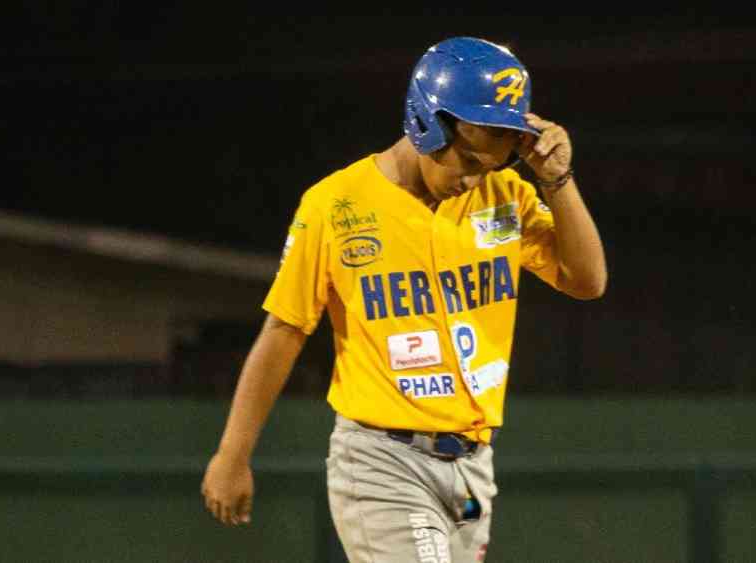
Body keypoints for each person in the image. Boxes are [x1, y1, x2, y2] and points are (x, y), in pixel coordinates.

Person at [202, 36, 607, 562]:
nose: (475, 177)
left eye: (492, 164)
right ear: (425, 120)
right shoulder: (336, 205)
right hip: (382, 460)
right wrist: (233, 454)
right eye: (470, 158)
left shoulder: (505, 197)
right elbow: (284, 331)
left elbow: (588, 280)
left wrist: (558, 181)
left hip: (471, 467)